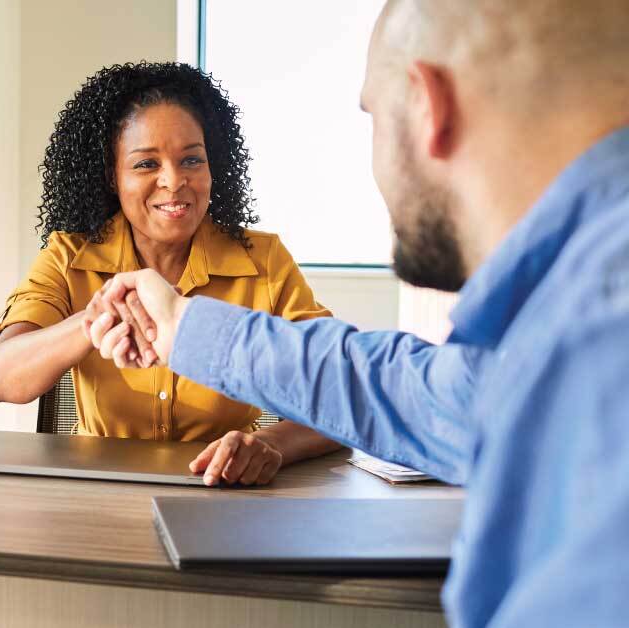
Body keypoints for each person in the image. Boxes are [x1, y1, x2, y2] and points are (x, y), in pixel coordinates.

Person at [87, 1, 629, 625]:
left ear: (429, 107)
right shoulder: (564, 312)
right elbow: (407, 388)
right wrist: (182, 325)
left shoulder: (601, 340)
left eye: (372, 116)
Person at [0, 62, 341, 486]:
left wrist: (271, 444)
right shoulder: (69, 255)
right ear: (111, 178)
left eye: (191, 159)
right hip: (96, 493)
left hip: (224, 493)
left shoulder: (263, 259)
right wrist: (95, 319)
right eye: (145, 164)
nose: (174, 182)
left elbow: (340, 394)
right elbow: (4, 379)